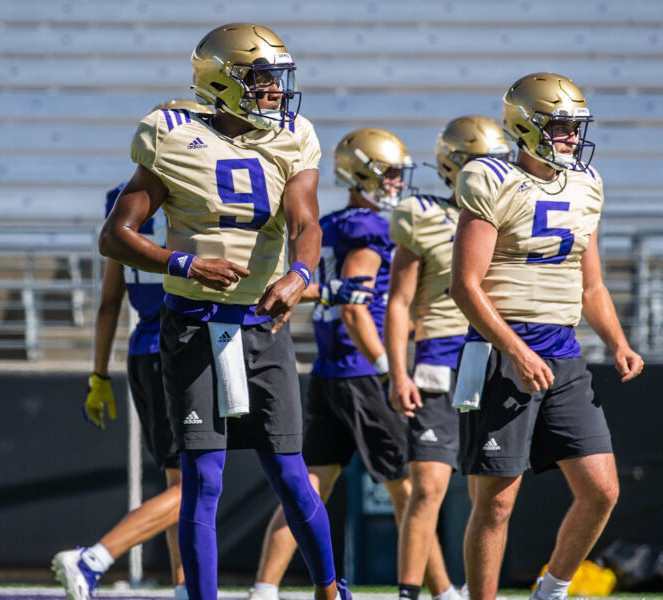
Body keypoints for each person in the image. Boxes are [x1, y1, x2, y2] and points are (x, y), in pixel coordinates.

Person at [100, 23, 348, 600]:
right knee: (203, 481)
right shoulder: (170, 134)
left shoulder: (293, 136)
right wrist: (183, 264)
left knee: (290, 472)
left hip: (261, 325)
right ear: (223, 81)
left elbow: (306, 221)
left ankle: (331, 589)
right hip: (192, 325)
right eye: (261, 80)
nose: (275, 92)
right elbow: (115, 235)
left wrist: (301, 273)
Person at [448, 73, 644, 600]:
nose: (571, 139)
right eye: (561, 127)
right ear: (527, 126)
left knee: (601, 489)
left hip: (564, 353)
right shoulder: (490, 179)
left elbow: (592, 282)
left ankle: (552, 591)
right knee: (496, 501)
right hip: (500, 353)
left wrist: (619, 341)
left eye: (575, 128)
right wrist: (516, 349)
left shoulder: (586, 183)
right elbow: (465, 285)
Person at [247, 128, 453, 600]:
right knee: (412, 493)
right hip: (364, 372)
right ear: (363, 174)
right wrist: (387, 367)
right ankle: (445, 593)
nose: (400, 181)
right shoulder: (371, 229)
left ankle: (263, 587)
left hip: (329, 371)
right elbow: (356, 304)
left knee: (310, 490)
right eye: (392, 173)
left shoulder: (335, 223)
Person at [51, 98, 209, 600]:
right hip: (182, 345)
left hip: (141, 350)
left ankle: (186, 588)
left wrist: (98, 374)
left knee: (178, 483)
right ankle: (94, 558)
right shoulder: (198, 193)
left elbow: (108, 301)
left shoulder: (123, 200)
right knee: (198, 485)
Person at [385, 116, 512, 600]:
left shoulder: (509, 212)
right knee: (427, 490)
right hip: (438, 362)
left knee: (491, 495)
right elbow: (398, 303)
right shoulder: (420, 213)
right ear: (454, 167)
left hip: (489, 360)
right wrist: (398, 372)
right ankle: (409, 594)